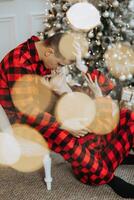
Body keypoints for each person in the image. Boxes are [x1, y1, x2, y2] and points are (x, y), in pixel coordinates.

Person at [0, 32, 134, 199]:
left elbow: (107, 86)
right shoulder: (18, 62)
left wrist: (82, 66)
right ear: (49, 52)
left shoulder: (41, 51)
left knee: (126, 117)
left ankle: (110, 158)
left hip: (47, 110)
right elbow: (27, 112)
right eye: (58, 63)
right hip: (24, 121)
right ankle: (109, 177)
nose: (58, 68)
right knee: (65, 135)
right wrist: (63, 124)